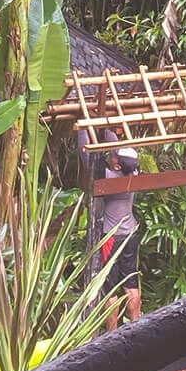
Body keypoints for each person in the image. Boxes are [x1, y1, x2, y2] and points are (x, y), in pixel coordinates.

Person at [78, 127, 143, 328]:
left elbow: (85, 154)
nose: (112, 154)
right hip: (130, 234)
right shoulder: (134, 173)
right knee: (130, 283)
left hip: (112, 238)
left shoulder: (108, 176)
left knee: (110, 288)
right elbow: (116, 145)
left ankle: (112, 334)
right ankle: (138, 325)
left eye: (114, 155)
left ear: (116, 166)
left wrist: (82, 128)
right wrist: (105, 125)